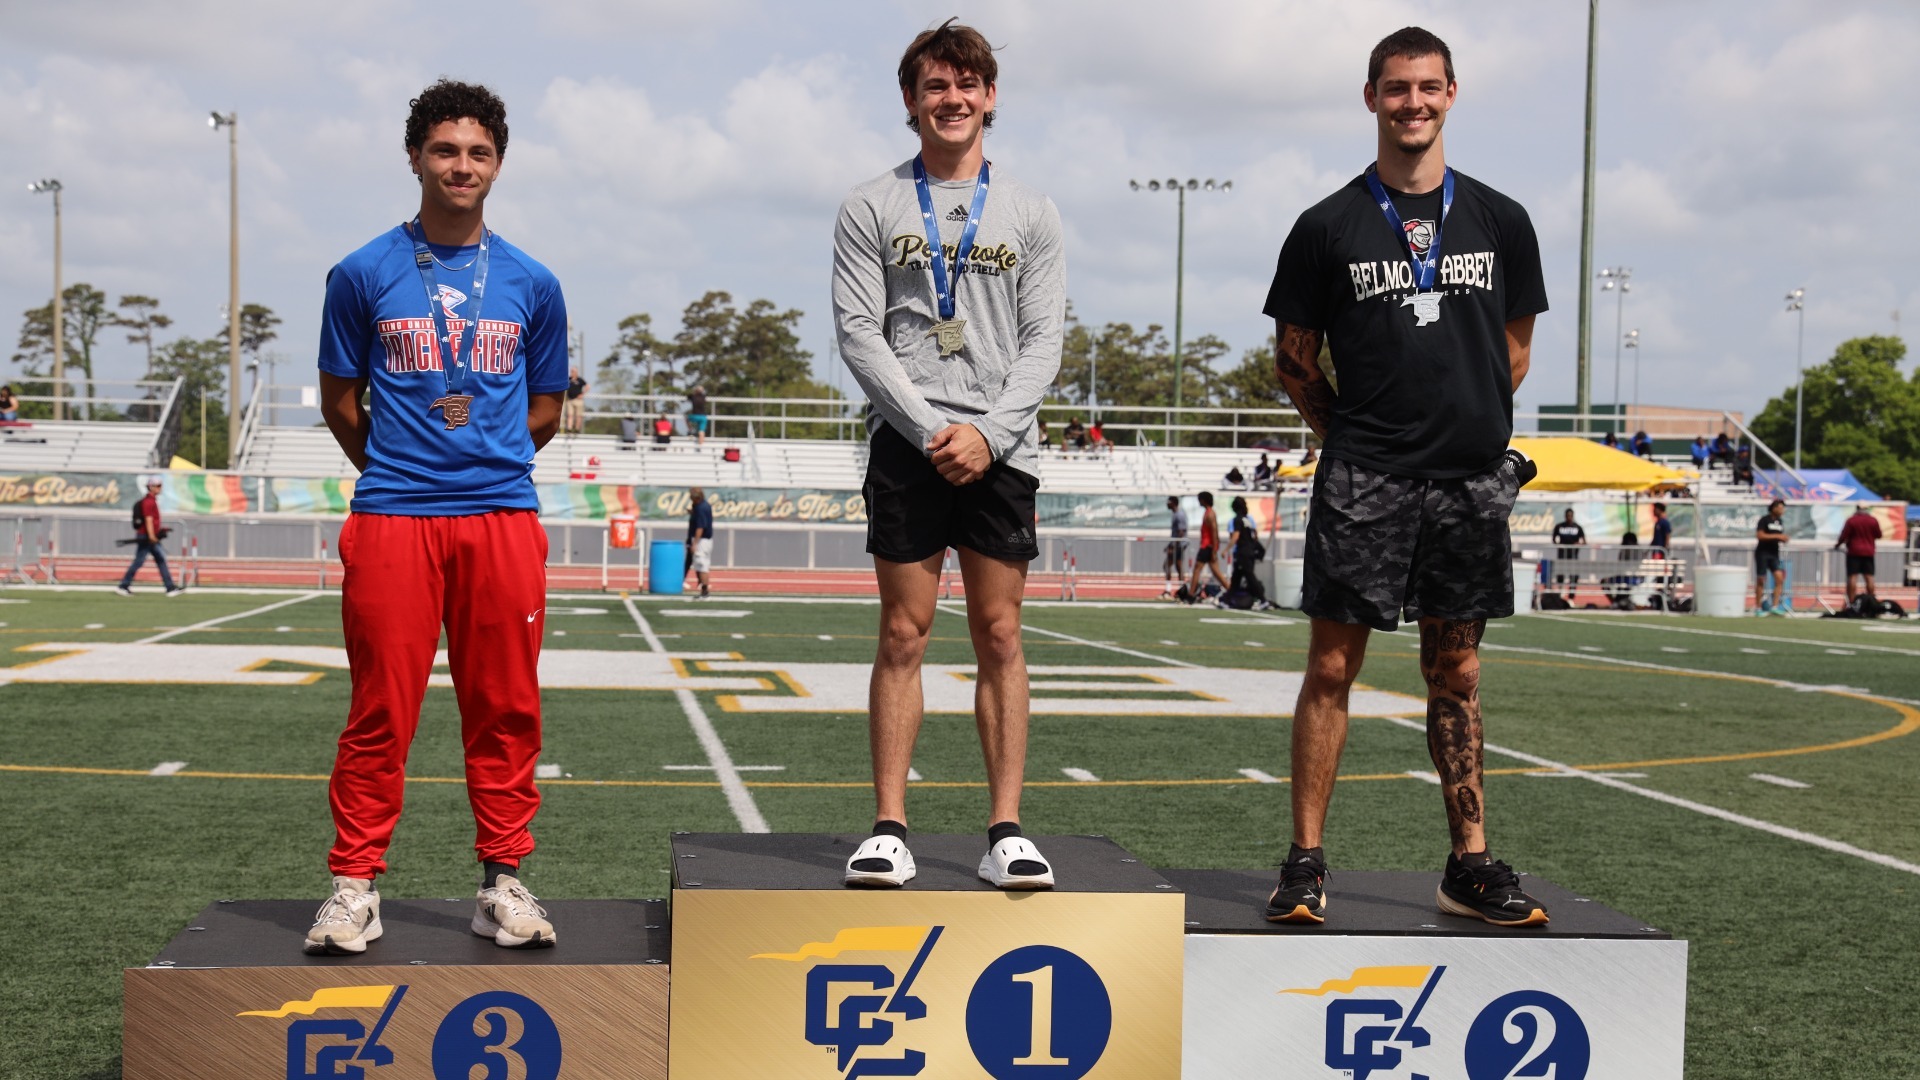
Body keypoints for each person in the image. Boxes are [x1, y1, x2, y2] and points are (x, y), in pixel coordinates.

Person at [1261, 27, 1551, 927]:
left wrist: (1459, 425)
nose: (1412, 103)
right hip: (1365, 483)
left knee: (1455, 673)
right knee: (1332, 670)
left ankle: (1468, 865)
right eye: (1396, 88)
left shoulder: (1502, 220)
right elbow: (1295, 361)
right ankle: (1306, 862)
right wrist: (1351, 437)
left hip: (1467, 485)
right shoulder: (1327, 226)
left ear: (1452, 94)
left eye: (1427, 87)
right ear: (1371, 98)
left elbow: (1514, 351)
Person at [310, 79, 567, 956]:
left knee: (504, 706)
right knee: (381, 709)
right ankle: (354, 885)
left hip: (500, 515)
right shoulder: (362, 272)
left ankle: (502, 880)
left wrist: (483, 462)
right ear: (416, 155)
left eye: (479, 152)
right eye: (446, 150)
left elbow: (544, 411)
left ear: (499, 162)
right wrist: (399, 468)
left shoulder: (534, 280)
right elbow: (342, 402)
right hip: (394, 518)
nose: (463, 166)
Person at [831, 18, 1066, 890]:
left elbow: (1045, 340)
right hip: (908, 441)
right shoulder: (870, 204)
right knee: (903, 632)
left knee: (1000, 633)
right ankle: (890, 826)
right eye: (935, 86)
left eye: (967, 85)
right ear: (910, 101)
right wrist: (931, 425)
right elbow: (859, 334)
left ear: (990, 97)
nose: (953, 99)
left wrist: (990, 434)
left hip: (1001, 446)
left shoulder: (1033, 211)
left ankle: (1005, 828)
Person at [115, 477, 183, 596]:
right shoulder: (148, 502)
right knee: (140, 561)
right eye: (158, 486)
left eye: (160, 485)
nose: (160, 488)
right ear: (151, 487)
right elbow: (148, 520)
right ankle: (123, 586)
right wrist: (152, 536)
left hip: (150, 536)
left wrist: (160, 531)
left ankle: (170, 587)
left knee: (160, 560)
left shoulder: (152, 501)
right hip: (146, 537)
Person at [1225, 495, 1270, 605]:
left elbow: (1235, 536)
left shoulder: (1238, 520)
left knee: (1249, 577)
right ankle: (1226, 601)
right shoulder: (1248, 520)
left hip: (1243, 553)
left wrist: (1225, 550)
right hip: (1250, 552)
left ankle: (1263, 600)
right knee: (1237, 577)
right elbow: (1255, 536)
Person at [1836, 504, 1881, 604]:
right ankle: (1871, 600)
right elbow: (1879, 534)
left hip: (1854, 551)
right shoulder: (1873, 520)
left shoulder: (1852, 520)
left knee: (1853, 577)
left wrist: (1838, 544)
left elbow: (1844, 535)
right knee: (1869, 577)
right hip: (1868, 552)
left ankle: (1851, 602)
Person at [1185, 490, 1228, 599]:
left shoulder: (1210, 514)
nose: (1199, 502)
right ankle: (1230, 590)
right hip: (1208, 546)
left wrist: (1214, 549)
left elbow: (1214, 532)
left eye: (1200, 500)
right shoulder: (1208, 512)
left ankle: (1191, 594)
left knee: (1197, 569)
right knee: (1216, 573)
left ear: (1203, 500)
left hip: (1207, 546)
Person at [1754, 499, 1789, 615]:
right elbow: (1760, 535)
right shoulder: (1764, 520)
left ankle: (1775, 606)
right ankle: (1758, 608)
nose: (1782, 510)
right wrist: (1777, 536)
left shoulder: (1780, 522)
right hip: (1763, 553)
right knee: (1761, 580)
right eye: (1780, 507)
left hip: (1774, 554)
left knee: (1779, 579)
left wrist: (1783, 539)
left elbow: (1778, 537)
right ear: (1773, 508)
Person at [686, 486, 715, 599]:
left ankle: (705, 590)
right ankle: (703, 589)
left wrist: (695, 543)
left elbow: (700, 527)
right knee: (700, 564)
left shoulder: (701, 508)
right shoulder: (703, 506)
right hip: (705, 540)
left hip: (702, 540)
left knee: (702, 564)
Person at [1551, 509, 1585, 599]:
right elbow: (1554, 539)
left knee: (1573, 575)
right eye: (1567, 515)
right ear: (1565, 516)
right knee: (1560, 573)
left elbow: (1584, 541)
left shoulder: (1577, 527)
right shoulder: (1559, 526)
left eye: (1570, 515)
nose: (1569, 517)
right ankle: (1560, 592)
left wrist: (1578, 544)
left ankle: (1571, 596)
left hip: (1573, 555)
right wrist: (1558, 544)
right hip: (1562, 555)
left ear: (1573, 516)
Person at [1160, 495, 1189, 598]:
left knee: (1170, 565)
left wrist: (1174, 546)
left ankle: (1173, 589)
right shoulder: (1176, 514)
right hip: (1177, 544)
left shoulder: (1179, 515)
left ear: (1173, 503)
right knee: (1177, 566)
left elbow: (1181, 532)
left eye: (1169, 502)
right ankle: (1181, 589)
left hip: (1179, 545)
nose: (1167, 504)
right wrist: (1170, 545)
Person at [563, 367, 588, 434]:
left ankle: (577, 429)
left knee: (578, 415)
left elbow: (587, 386)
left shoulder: (580, 380)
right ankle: (569, 429)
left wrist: (582, 394)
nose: (572, 373)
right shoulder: (568, 379)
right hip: (570, 400)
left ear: (576, 372)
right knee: (570, 415)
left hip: (578, 400)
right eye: (571, 371)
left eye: (573, 371)